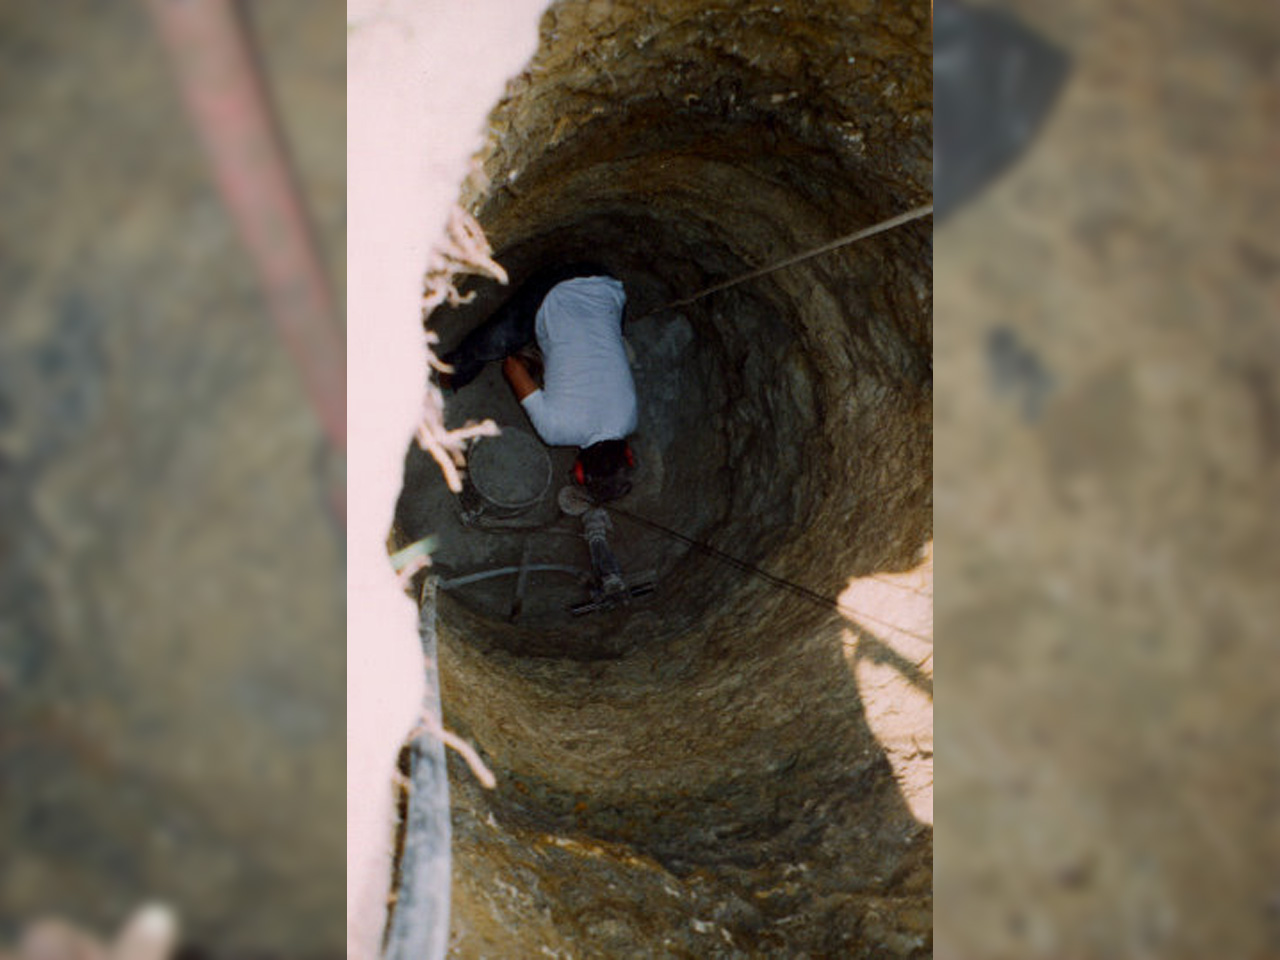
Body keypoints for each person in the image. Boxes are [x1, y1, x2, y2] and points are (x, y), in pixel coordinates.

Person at [440, 263, 637, 503]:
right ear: (579, 471)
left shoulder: (630, 418)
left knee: (603, 336)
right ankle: (449, 377)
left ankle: (542, 351)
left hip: (607, 285)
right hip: (553, 286)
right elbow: (511, 366)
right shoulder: (555, 431)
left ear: (627, 454)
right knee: (493, 344)